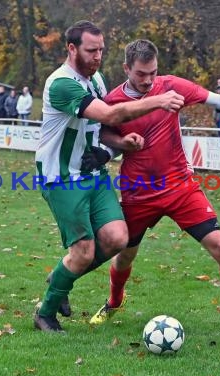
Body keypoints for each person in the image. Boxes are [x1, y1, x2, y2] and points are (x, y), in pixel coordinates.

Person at [88, 39, 220, 341]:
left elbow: (217, 99)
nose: (148, 80)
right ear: (126, 68)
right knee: (125, 256)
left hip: (180, 186)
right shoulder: (114, 102)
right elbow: (113, 141)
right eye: (141, 74)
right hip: (139, 191)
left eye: (153, 73)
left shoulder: (170, 86)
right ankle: (114, 301)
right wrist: (112, 149)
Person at [33, 21, 186, 333]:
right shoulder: (62, 84)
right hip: (62, 178)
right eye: (91, 50)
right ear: (72, 49)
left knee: (118, 238)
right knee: (84, 252)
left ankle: (64, 275)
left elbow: (101, 129)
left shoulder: (96, 80)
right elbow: (110, 115)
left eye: (101, 50)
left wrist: (120, 143)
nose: (97, 56)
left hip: (93, 173)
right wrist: (159, 99)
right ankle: (45, 313)